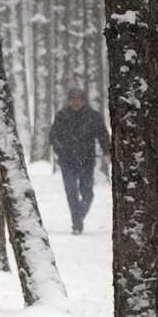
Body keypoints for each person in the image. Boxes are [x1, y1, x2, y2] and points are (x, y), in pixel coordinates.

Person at [49, 86, 112, 234]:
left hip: (86, 161)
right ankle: (77, 224)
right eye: (73, 99)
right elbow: (53, 136)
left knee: (87, 194)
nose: (76, 102)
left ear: (83, 101)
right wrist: (60, 148)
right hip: (67, 161)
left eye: (78, 99)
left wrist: (107, 151)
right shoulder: (62, 116)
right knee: (71, 192)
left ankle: (79, 216)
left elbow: (103, 134)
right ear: (69, 100)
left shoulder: (93, 116)